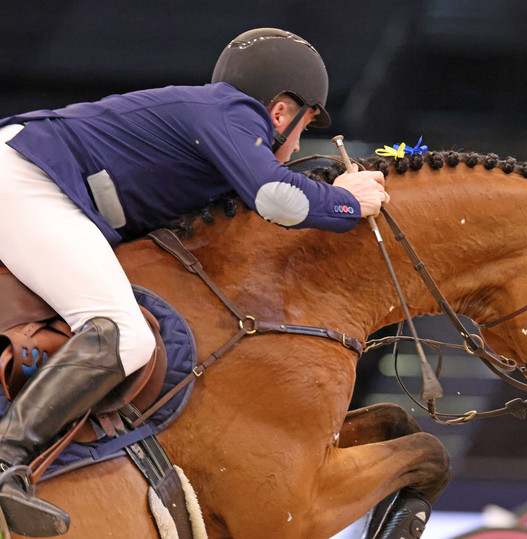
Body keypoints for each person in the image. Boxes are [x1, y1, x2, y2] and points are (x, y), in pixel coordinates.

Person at [0, 28, 387, 536]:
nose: (293, 149)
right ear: (279, 112)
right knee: (127, 335)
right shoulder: (230, 112)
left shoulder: (212, 122)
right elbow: (275, 195)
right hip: (26, 180)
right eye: (303, 128)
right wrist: (347, 200)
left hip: (32, 180)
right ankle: (8, 461)